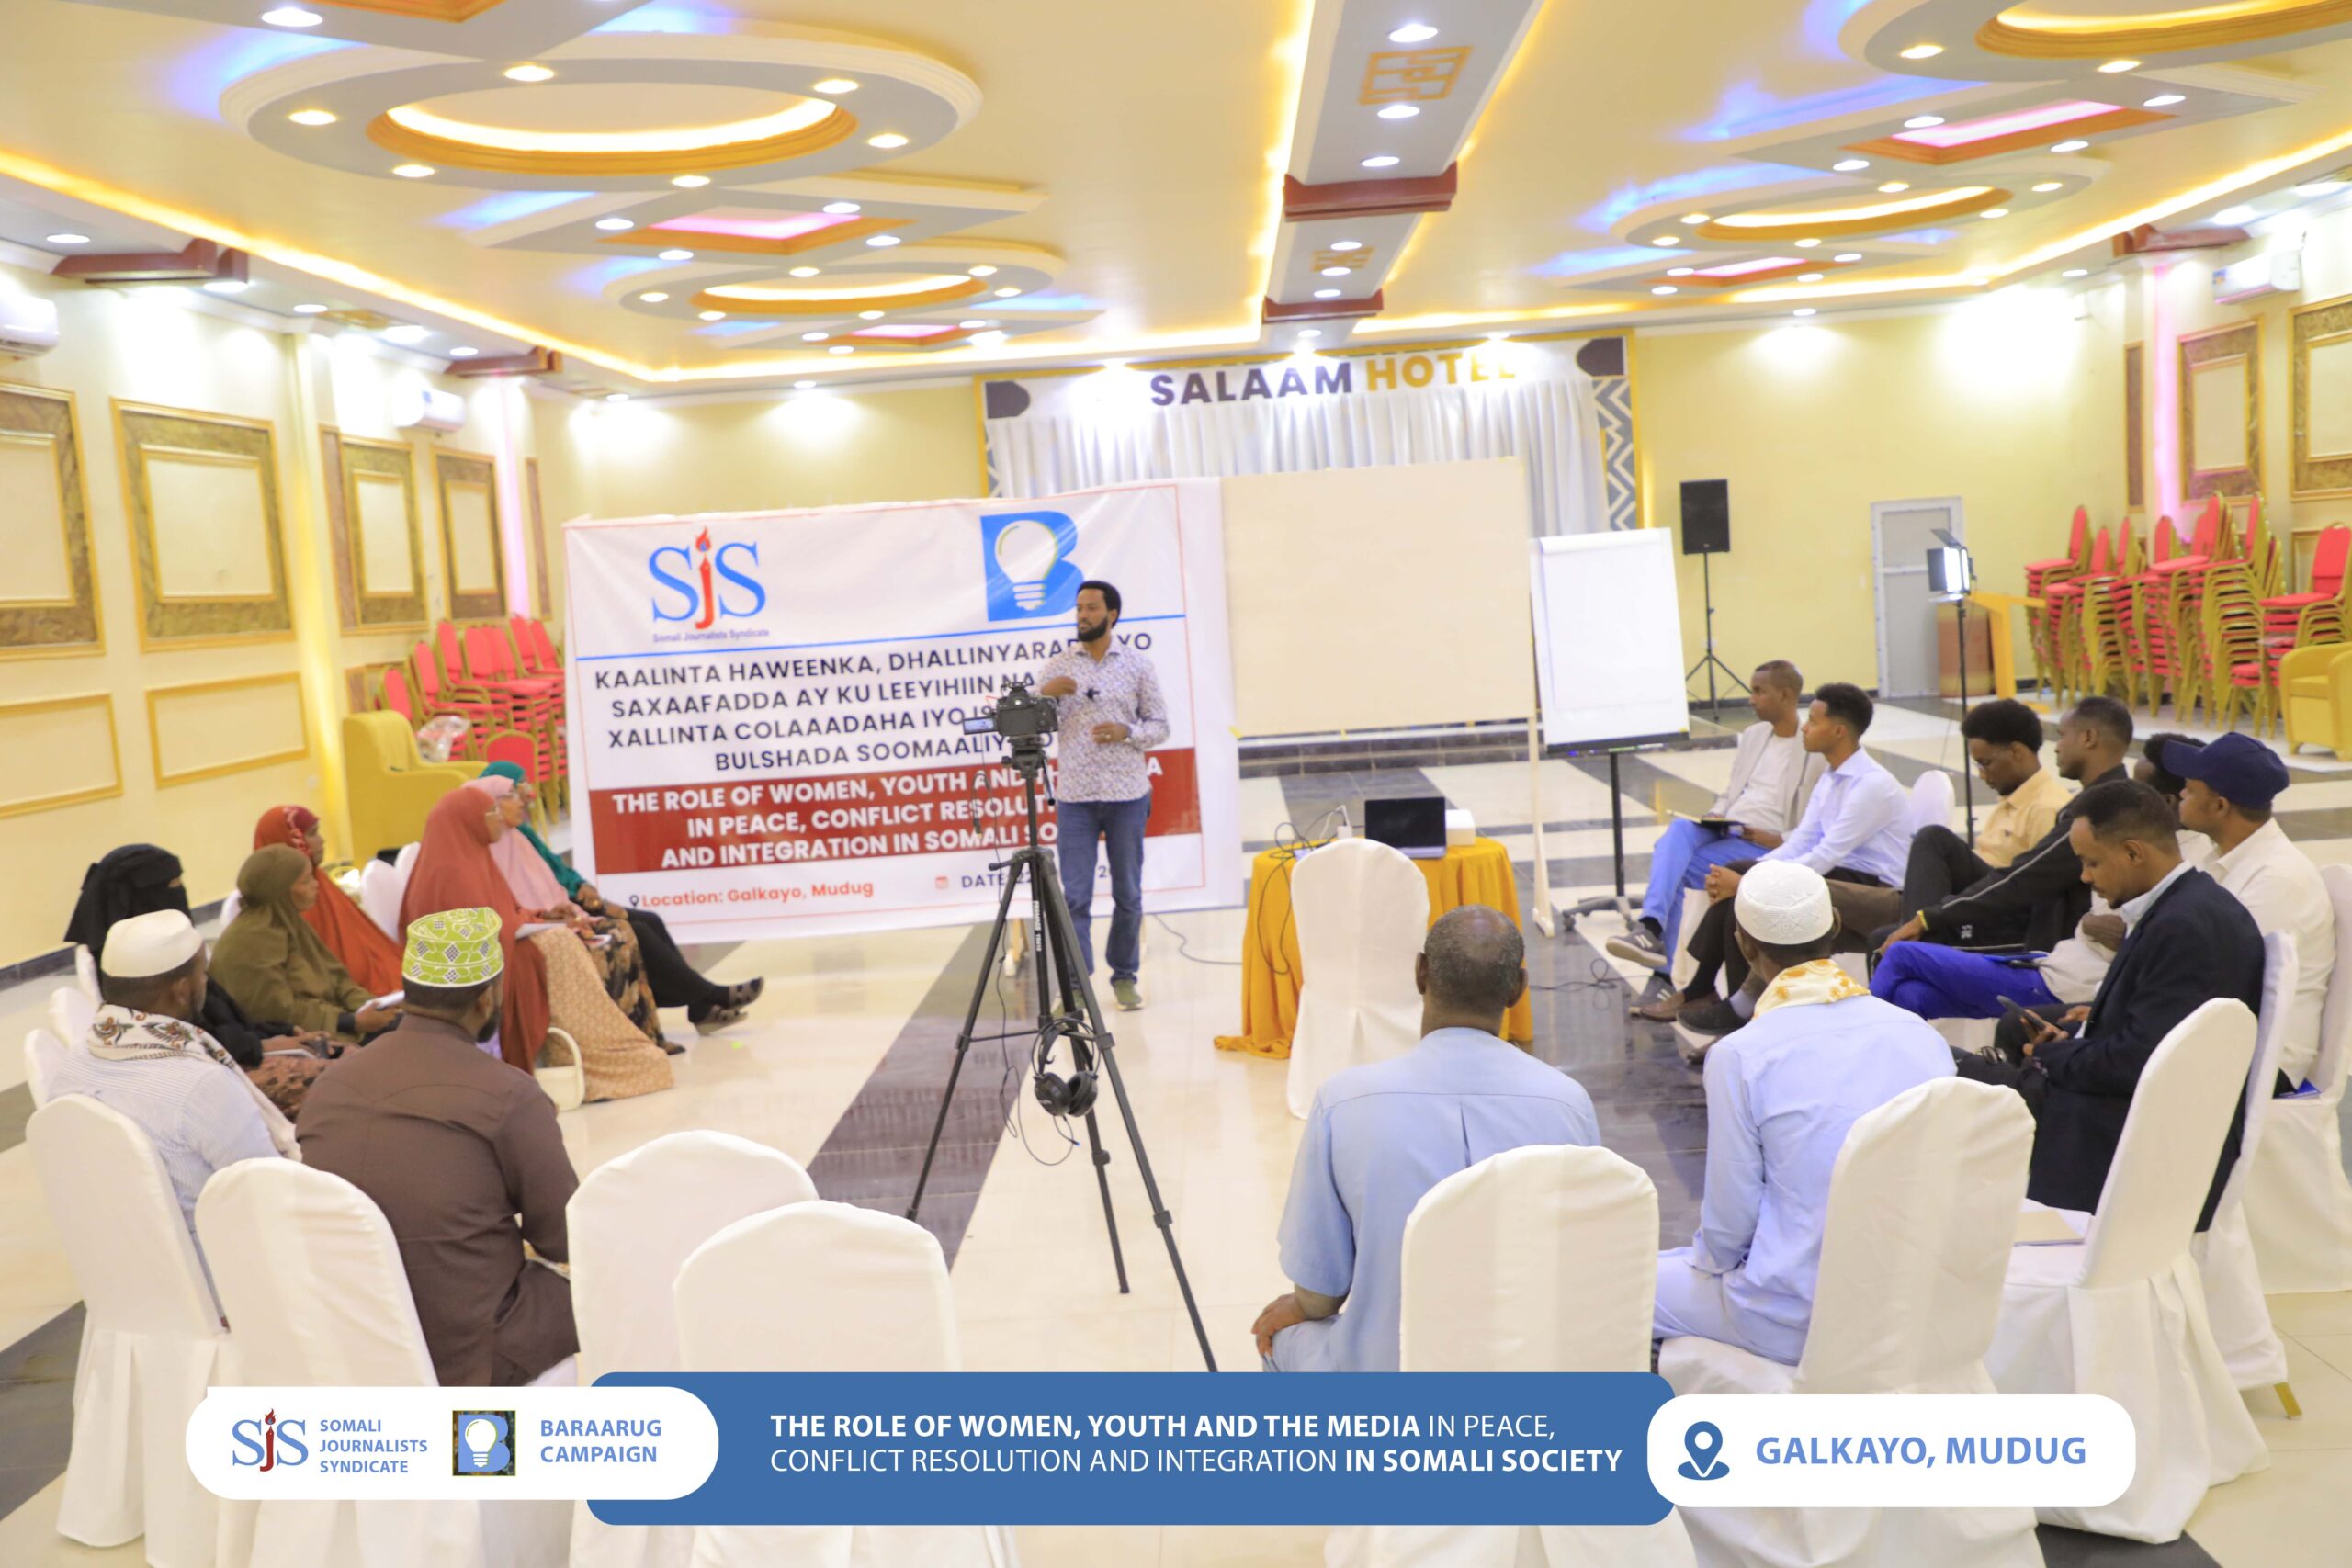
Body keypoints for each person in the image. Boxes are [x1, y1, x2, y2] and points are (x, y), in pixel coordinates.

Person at [1253, 906, 1599, 1372]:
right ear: (1518, 989)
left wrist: (1299, 1308)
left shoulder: (1343, 1102)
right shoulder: (1568, 1105)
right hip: (1530, 1374)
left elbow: (1321, 1293)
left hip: (1391, 1378)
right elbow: (1582, 1262)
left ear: (1420, 973)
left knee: (1280, 1340)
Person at [1651, 863, 1954, 1365]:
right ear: (1836, 925)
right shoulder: (1920, 1035)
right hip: (1913, 1303)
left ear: (1744, 945)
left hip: (1795, 1315)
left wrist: (1706, 1264)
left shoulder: (1742, 1055)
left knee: (1616, 1286)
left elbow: (1728, 1230)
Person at [1958, 780, 2265, 1227]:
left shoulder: (2184, 927)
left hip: (2132, 1131)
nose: (2085, 877)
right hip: (2134, 1105)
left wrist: (2051, 1056)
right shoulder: (2188, 904)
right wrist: (2089, 1026)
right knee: (1964, 1070)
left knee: (1952, 1076)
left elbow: (2137, 1062)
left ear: (2134, 852)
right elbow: (2158, 1027)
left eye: (2092, 862)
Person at [299, 908, 580, 1386]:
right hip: (473, 1352)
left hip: (357, 1339)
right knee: (601, 1293)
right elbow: (563, 1235)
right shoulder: (508, 1093)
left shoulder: (329, 1087)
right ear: (487, 997)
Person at [1652, 683, 1911, 1041]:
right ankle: (1727, 1004)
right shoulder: (1832, 776)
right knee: (1742, 871)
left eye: (1814, 721)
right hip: (1839, 875)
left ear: (1838, 731)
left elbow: (1827, 853)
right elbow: (1803, 839)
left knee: (1745, 887)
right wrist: (1756, 869)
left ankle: (1727, 1005)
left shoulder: (1871, 785)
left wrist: (1754, 884)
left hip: (1872, 892)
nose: (1805, 728)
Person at [45, 909, 292, 1276]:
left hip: (119, 1275)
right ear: (182, 989)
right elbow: (273, 1193)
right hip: (224, 1279)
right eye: (203, 974)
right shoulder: (200, 1084)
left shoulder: (72, 1068)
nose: (205, 982)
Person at [401, 785, 673, 1101]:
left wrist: (544, 916)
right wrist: (538, 926)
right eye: (491, 812)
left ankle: (609, 1048)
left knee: (581, 936)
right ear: (468, 820)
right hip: (482, 967)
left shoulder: (476, 855)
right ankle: (588, 1062)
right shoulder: (449, 871)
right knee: (559, 944)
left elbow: (506, 912)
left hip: (514, 946)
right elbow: (473, 938)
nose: (498, 819)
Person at [474, 761, 762, 1031]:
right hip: (551, 916)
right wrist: (578, 901)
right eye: (516, 789)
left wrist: (580, 885)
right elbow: (522, 895)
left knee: (649, 920)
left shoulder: (519, 833)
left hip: (565, 904)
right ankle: (707, 996)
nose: (526, 794)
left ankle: (700, 1003)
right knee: (636, 931)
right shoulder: (496, 841)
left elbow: (554, 870)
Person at [62, 842, 336, 1115]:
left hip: (235, 1052)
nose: (180, 893)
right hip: (221, 1072)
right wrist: (260, 1045)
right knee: (339, 1084)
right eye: (172, 886)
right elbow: (182, 1038)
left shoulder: (158, 953)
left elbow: (217, 1016)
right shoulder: (137, 970)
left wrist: (278, 1032)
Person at [1607, 660, 1821, 971]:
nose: (1751, 699)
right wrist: (1716, 813)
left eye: (1759, 691)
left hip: (1762, 840)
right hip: (1727, 825)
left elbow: (1818, 820)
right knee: (1679, 829)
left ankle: (1661, 969)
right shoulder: (1754, 735)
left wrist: (1779, 839)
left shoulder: (1812, 749)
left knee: (1672, 866)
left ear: (1786, 695)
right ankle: (1650, 928)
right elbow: (1732, 791)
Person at [1824, 697, 2074, 943]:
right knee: (1861, 932)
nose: (1981, 775)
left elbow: (2032, 890)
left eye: (1985, 763)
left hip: (2000, 913)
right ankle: (1910, 937)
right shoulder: (2011, 800)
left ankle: (1914, 943)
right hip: (1964, 900)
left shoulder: (2045, 808)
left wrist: (1938, 914)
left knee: (1934, 839)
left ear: (2016, 752)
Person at [2170, 733, 2334, 1090]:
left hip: (2262, 1058)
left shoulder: (2277, 882)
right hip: (2224, 1037)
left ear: (2220, 806)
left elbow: (2221, 981)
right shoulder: (2222, 859)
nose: (2180, 795)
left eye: (2190, 790)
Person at [1037, 579, 1168, 1011]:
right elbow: (1035, 726)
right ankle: (1076, 984)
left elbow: (1160, 726)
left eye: (1091, 608)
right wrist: (1044, 696)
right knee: (1074, 896)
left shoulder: (1136, 665)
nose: (1082, 615)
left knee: (1128, 893)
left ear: (1112, 614)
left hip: (1127, 795)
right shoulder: (1058, 667)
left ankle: (1125, 977)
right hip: (1076, 798)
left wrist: (1126, 731)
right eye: (1079, 608)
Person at [475, 774, 662, 1045]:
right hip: (528, 936)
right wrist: (549, 919)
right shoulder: (484, 851)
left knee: (624, 931)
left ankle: (644, 1034)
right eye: (510, 795)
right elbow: (501, 911)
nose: (523, 799)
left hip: (546, 920)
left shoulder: (518, 839)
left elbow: (550, 884)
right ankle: (608, 1040)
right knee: (614, 940)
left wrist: (560, 912)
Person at [210, 846, 403, 1045]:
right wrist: (352, 1022)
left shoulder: (289, 921)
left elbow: (337, 980)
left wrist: (374, 1005)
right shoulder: (250, 943)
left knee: (409, 1024)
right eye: (305, 881)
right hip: (299, 1037)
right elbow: (277, 1013)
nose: (315, 885)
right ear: (280, 891)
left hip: (333, 1020)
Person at [254, 805, 404, 995]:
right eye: (312, 834)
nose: (322, 840)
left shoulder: (320, 884)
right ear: (289, 843)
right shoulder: (285, 909)